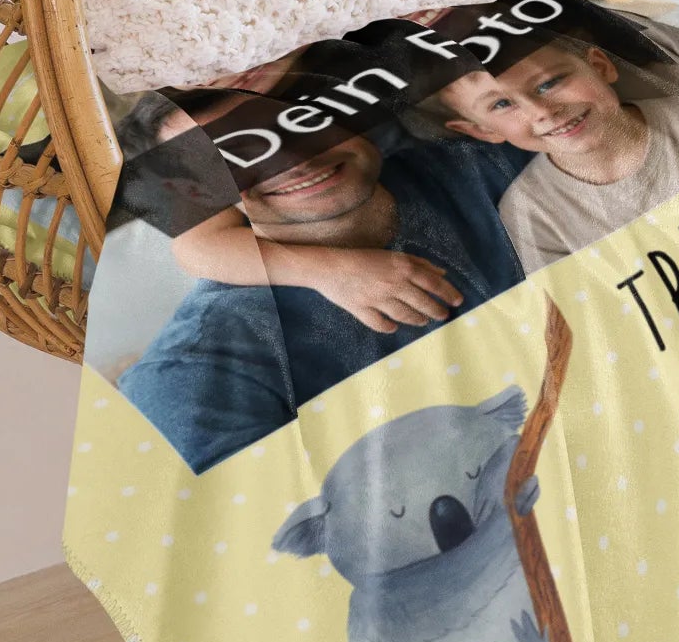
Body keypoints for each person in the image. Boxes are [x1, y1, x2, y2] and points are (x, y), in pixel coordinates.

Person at [119, 127, 527, 472]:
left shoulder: (484, 161)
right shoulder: (193, 374)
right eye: (231, 155)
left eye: (299, 120)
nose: (290, 159)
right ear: (193, 193)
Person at [436, 35, 679, 274]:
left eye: (549, 83)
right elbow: (582, 311)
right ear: (483, 130)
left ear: (600, 67)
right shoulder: (528, 210)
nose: (542, 112)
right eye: (502, 105)